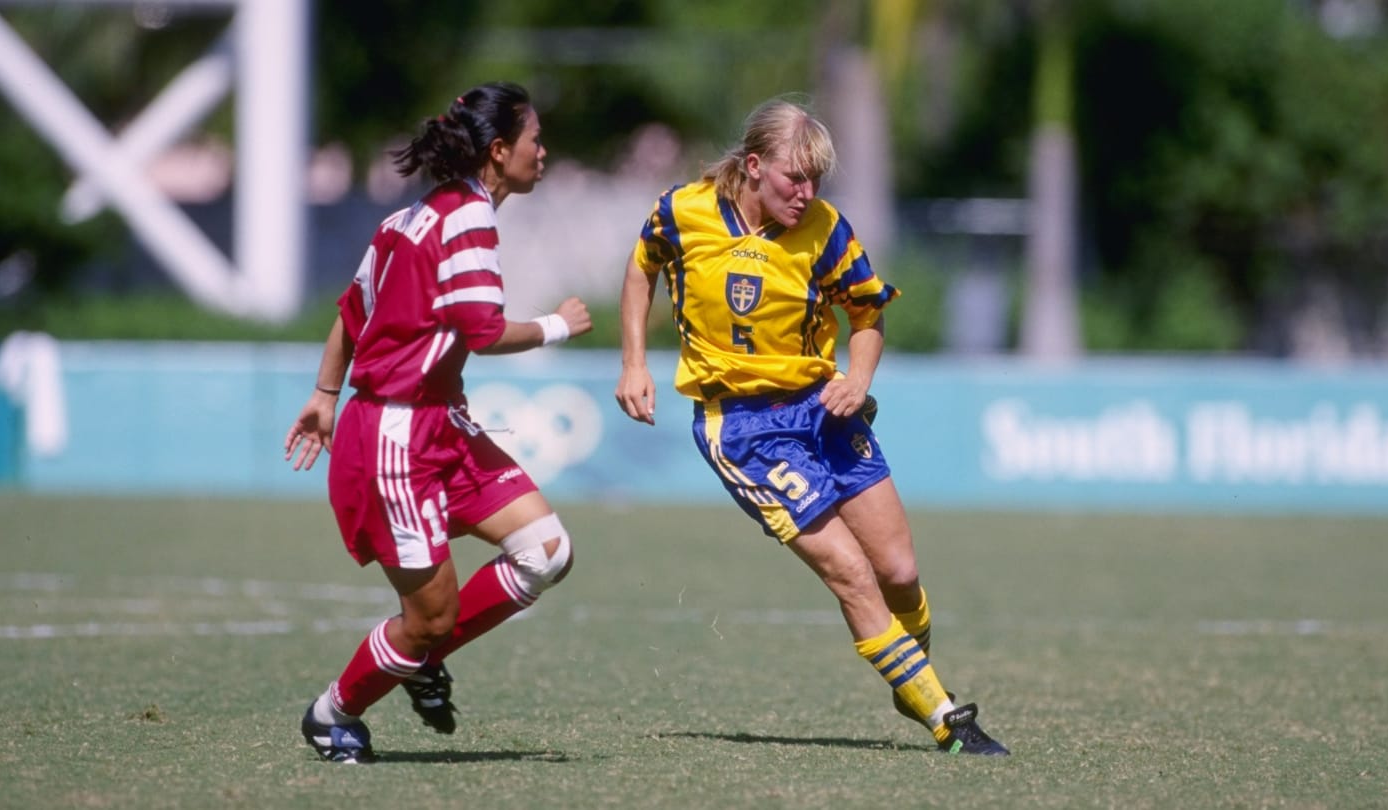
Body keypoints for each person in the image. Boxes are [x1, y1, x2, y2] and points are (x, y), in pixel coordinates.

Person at [613, 96, 1008, 755]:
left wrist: (858, 381)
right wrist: (633, 362)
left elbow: (868, 315)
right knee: (850, 572)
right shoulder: (681, 211)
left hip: (823, 411)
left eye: (816, 179)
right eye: (795, 178)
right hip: (742, 429)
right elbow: (639, 268)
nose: (807, 192)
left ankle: (911, 677)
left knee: (900, 570)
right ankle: (944, 717)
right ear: (753, 165)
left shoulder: (825, 229)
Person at [284, 81, 592, 763]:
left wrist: (324, 393)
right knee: (430, 620)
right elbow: (479, 328)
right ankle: (333, 712)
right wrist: (557, 327)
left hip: (441, 424)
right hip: (398, 434)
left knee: (546, 552)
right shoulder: (467, 219)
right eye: (535, 140)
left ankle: (417, 657)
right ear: (499, 150)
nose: (544, 152)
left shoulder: (410, 220)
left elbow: (350, 313)